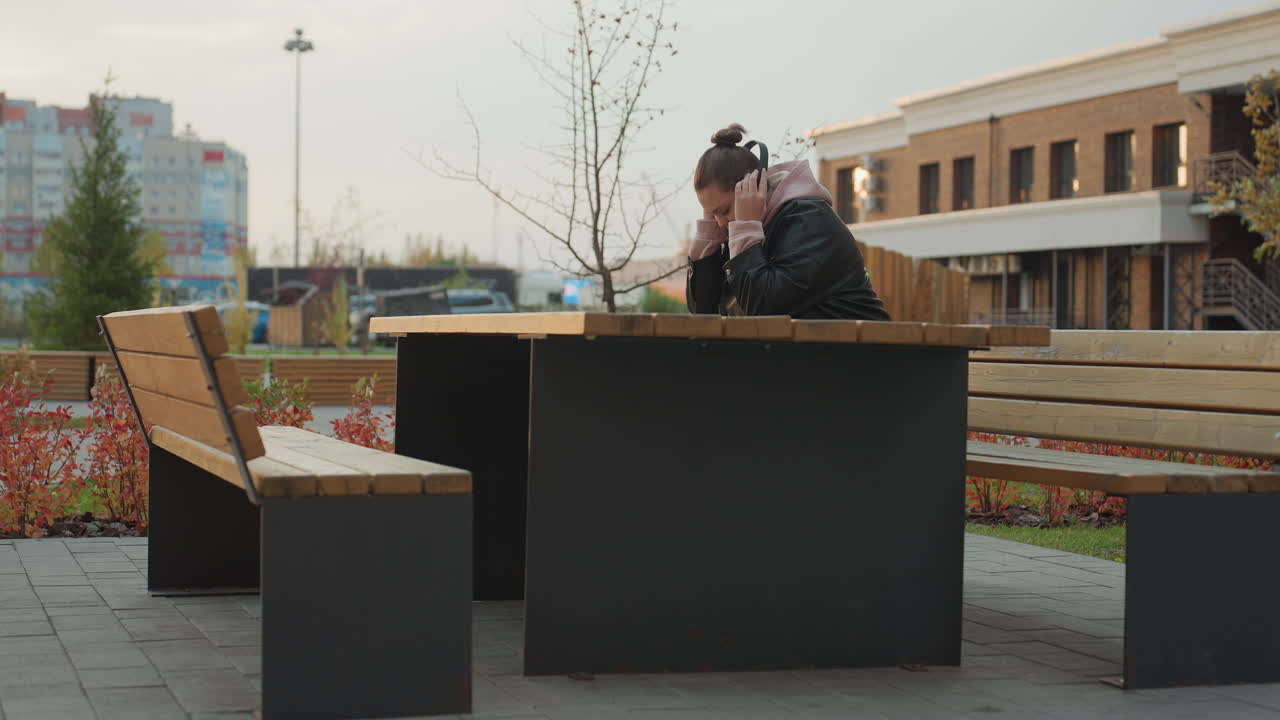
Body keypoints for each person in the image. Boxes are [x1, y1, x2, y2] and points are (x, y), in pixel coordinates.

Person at [686, 123, 890, 320]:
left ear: (755, 188)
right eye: (712, 214)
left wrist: (746, 229)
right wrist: (709, 237)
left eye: (724, 210)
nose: (721, 223)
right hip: (814, 350)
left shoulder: (810, 221)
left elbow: (764, 310)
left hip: (864, 349)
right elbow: (705, 312)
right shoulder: (746, 232)